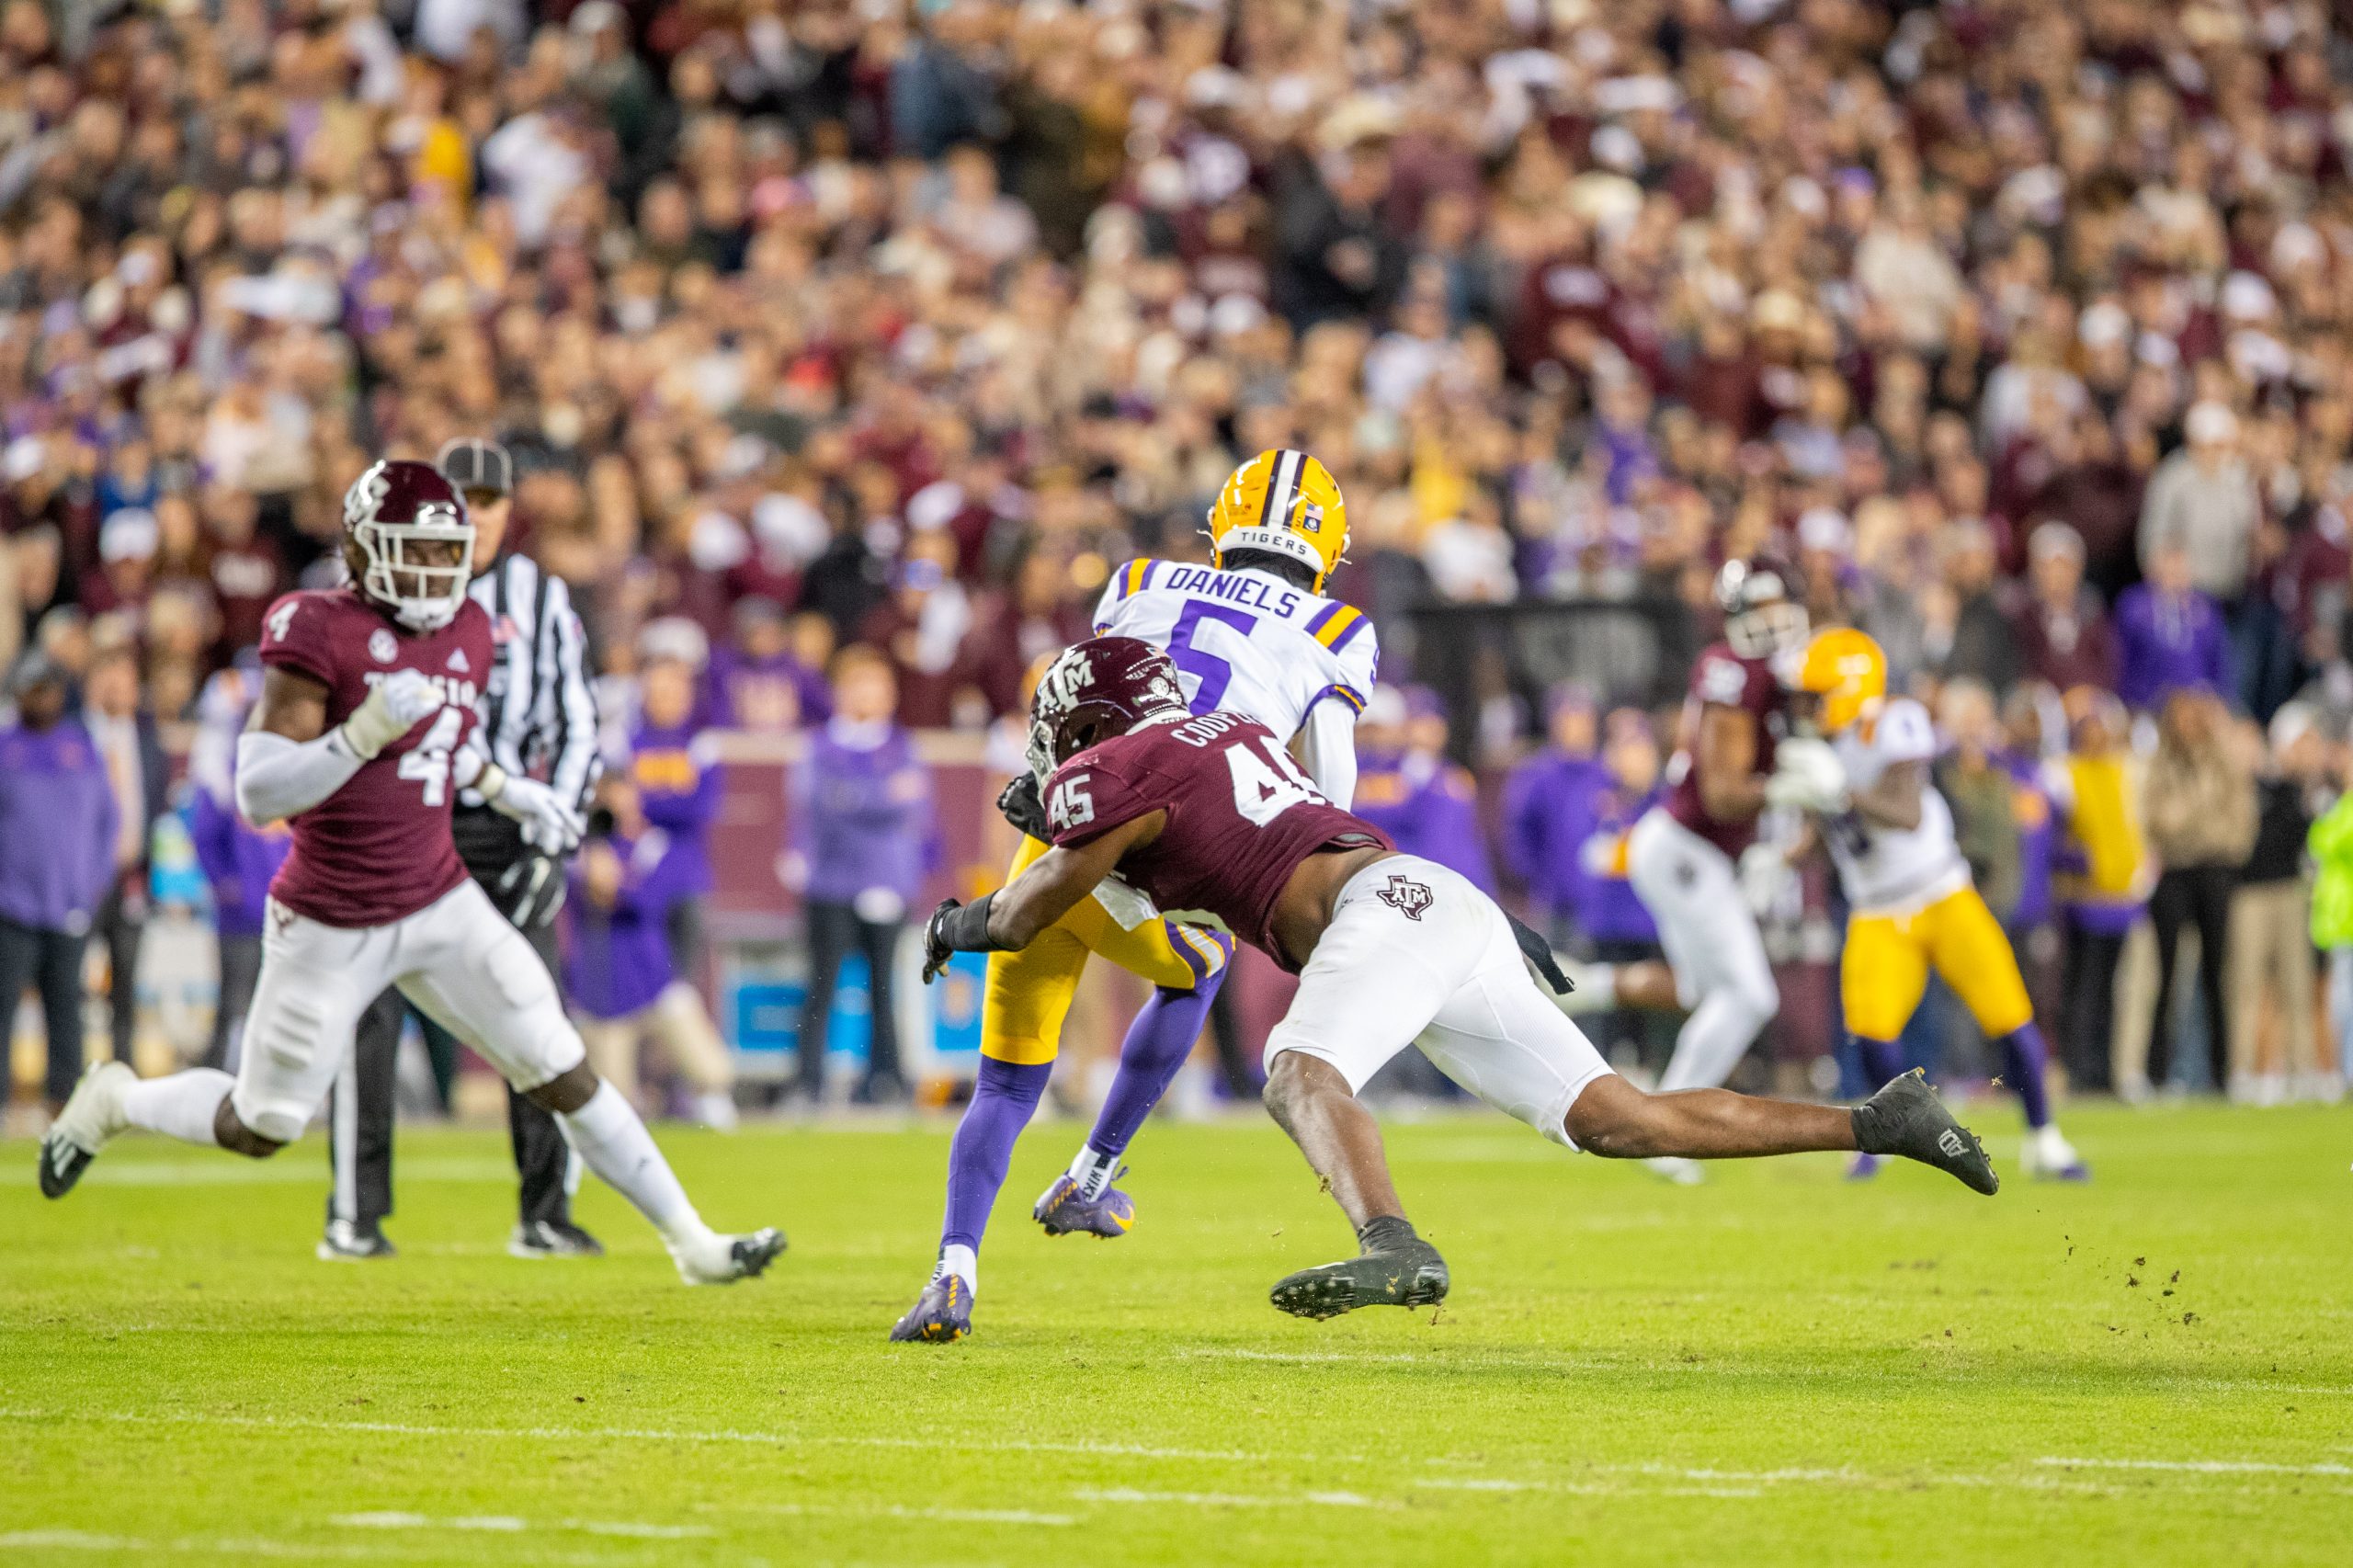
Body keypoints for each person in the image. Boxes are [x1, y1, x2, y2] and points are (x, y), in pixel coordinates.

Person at [910, 638, 1996, 1330]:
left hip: (1379, 915)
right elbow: (1241, 845)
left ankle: (1394, 1244)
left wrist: (954, 920)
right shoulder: (1223, 731)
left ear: (1090, 726)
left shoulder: (1118, 766)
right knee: (1622, 1120)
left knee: (1296, 1069)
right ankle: (1876, 1117)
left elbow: (1023, 912)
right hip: (1427, 900)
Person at [37, 461, 782, 1288]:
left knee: (561, 1064)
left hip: (438, 899)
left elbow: (447, 747)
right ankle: (115, 1101)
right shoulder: (315, 626)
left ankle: (693, 1242)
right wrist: (354, 738)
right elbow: (257, 792)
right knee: (263, 1121)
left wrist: (509, 790)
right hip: (330, 917)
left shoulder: (466, 627)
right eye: (412, 551)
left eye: (444, 552)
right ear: (361, 549)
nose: (433, 572)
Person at [892, 449, 1379, 1343]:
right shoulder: (1340, 625)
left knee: (1003, 1081)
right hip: (1167, 864)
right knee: (1197, 968)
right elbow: (1332, 779)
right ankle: (1088, 1172)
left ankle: (951, 1270)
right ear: (1328, 545)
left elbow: (1080, 690)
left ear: (1223, 523)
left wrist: (1040, 783)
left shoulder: (1141, 576)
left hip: (1056, 844)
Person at [324, 437, 608, 1262]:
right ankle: (356, 1212)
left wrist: (561, 821)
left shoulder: (540, 596)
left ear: (509, 510)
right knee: (368, 1012)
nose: (476, 518)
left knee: (537, 1019)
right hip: (399, 816)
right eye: (464, 500)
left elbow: (579, 721)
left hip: (503, 829)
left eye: (490, 502)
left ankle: (544, 1211)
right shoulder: (382, 584)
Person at [1553, 559, 1839, 1184]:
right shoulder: (1732, 672)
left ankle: (1588, 987)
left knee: (1705, 990)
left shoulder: (1774, 675)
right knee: (1750, 995)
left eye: (1774, 608)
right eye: (1754, 611)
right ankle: (1665, 1131)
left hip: (1695, 852)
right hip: (1686, 848)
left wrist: (1784, 836)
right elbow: (1722, 796)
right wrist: (1790, 787)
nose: (1767, 623)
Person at [1784, 631, 2086, 1180]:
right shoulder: (1822, 750)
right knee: (1873, 1033)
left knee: (2009, 1015)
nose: (1807, 706)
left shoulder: (1895, 721)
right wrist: (1781, 860)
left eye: (1817, 694)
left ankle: (2045, 1138)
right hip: (1877, 909)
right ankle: (1881, 1144)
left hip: (1941, 893)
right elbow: (1826, 832)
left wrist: (1840, 793)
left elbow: (1907, 812)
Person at [784, 644, 934, 1104]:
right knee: (822, 982)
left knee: (885, 985)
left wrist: (857, 798)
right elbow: (822, 803)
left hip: (886, 881)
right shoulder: (822, 746)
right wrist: (879, 798)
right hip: (831, 881)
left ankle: (884, 1079)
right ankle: (807, 1082)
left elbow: (913, 805)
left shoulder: (901, 745)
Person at [566, 770, 737, 1127]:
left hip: (652, 974)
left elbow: (651, 899)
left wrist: (618, 884)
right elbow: (577, 900)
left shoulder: (657, 845)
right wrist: (594, 871)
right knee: (613, 1099)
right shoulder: (582, 849)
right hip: (603, 986)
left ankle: (709, 1102)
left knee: (703, 1055)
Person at [0, 653, 118, 1112]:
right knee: (3, 1007)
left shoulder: (81, 747)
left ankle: (66, 1106)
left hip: (69, 903)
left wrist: (94, 880)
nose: (40, 698)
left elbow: (108, 819)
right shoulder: (6, 747)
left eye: (46, 689)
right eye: (33, 690)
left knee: (67, 1010)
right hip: (13, 906)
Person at [2141, 687, 2258, 1096]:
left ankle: (2223, 1072)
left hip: (2215, 869)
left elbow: (2240, 813)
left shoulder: (2221, 761)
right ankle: (2154, 1073)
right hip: (2174, 870)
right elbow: (2158, 820)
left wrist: (2226, 847)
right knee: (2168, 973)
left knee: (2216, 973)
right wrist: (2194, 818)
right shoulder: (2162, 764)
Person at [186, 658, 290, 1071]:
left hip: (285, 908)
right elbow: (203, 834)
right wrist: (225, 882)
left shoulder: (289, 768)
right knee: (236, 1001)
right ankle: (223, 1081)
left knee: (284, 1001)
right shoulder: (224, 771)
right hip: (242, 912)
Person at [2047, 689, 2153, 1095]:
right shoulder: (2063, 773)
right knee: (2082, 985)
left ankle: (2104, 1070)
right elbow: (2057, 835)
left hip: (2120, 897)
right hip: (2082, 897)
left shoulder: (2121, 771)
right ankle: (2077, 1066)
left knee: (2112, 988)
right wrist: (2077, 862)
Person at [2226, 705, 2322, 1102]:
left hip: (2289, 891)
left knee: (2297, 984)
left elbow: (2304, 835)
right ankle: (2243, 1069)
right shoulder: (2234, 790)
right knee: (2246, 984)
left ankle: (2303, 1068)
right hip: (2248, 894)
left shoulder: (2288, 787)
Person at [79, 642, 167, 1067]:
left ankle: (121, 1079)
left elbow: (155, 806)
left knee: (128, 983)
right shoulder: (76, 738)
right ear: (91, 683)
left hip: (132, 876)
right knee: (69, 981)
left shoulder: (149, 742)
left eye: (125, 677)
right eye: (107, 675)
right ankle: (70, 1080)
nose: (117, 686)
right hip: (80, 878)